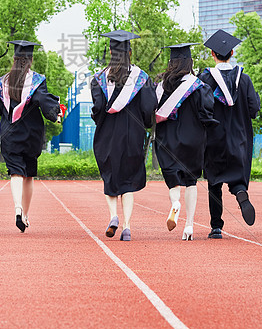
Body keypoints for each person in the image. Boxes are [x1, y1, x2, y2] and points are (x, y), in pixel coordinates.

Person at [91, 30, 156, 241]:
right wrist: (146, 124)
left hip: (107, 135)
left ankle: (113, 216)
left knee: (110, 177)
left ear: (110, 51)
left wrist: (99, 119)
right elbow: (148, 108)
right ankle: (127, 226)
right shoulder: (142, 78)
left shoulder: (99, 78)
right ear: (130, 52)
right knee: (128, 181)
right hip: (132, 135)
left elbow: (98, 108)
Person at [0, 40, 62, 232]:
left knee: (16, 173)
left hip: (10, 133)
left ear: (14, 59)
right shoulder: (37, 81)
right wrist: (55, 114)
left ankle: (17, 208)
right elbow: (43, 100)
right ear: (31, 60)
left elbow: (0, 108)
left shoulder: (2, 82)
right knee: (29, 176)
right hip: (31, 135)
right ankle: (25, 215)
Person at [198, 29, 260, 239]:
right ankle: (240, 192)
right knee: (236, 175)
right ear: (232, 53)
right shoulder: (245, 80)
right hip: (239, 138)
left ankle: (216, 227)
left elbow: (201, 108)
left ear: (213, 55)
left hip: (214, 138)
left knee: (214, 182)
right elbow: (253, 109)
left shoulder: (206, 78)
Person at [153, 43, 217, 241]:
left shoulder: (161, 86)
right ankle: (189, 226)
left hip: (167, 140)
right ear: (190, 63)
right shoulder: (198, 86)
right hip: (193, 140)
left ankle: (175, 203)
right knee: (191, 181)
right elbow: (207, 112)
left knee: (172, 177)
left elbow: (151, 110)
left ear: (171, 63)